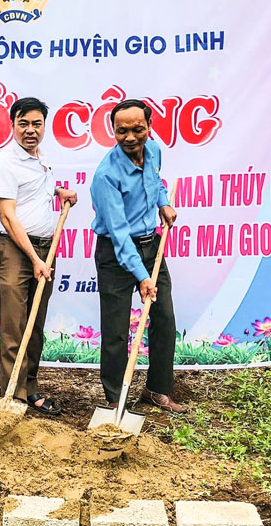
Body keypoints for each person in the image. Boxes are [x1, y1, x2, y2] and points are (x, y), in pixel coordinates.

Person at [89, 99, 186, 413]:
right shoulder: (106, 175)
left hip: (151, 245)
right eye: (122, 131)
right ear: (112, 131)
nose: (130, 137)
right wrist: (142, 276)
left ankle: (158, 389)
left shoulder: (154, 150)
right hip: (116, 254)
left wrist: (164, 203)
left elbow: (155, 181)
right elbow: (118, 234)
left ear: (149, 126)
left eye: (137, 129)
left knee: (164, 319)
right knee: (116, 330)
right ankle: (115, 399)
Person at [0, 97, 77, 416]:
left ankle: (31, 388)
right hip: (16, 250)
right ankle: (12, 396)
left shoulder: (41, 159)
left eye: (36, 124)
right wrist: (35, 259)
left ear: (44, 126)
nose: (30, 130)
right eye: (23, 123)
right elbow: (8, 217)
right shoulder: (5, 162)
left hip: (45, 248)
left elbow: (35, 191)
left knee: (36, 323)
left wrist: (59, 192)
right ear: (12, 125)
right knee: (16, 324)